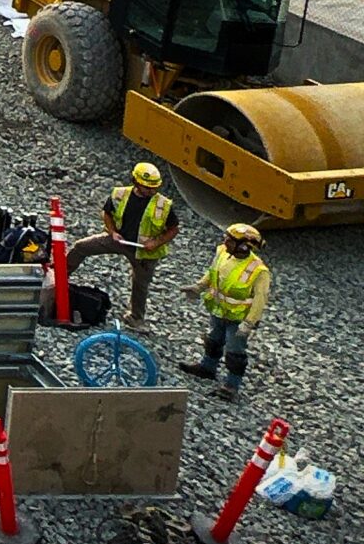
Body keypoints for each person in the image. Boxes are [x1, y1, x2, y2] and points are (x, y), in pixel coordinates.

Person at [65, 161, 179, 325]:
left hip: (144, 252)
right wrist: (112, 232)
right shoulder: (120, 195)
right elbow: (107, 213)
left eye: (155, 188)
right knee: (81, 247)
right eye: (147, 187)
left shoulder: (163, 205)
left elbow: (173, 229)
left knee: (140, 284)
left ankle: (136, 317)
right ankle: (60, 277)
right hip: (119, 240)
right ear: (136, 182)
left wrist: (156, 242)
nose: (152, 191)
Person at [185, 224, 271, 400]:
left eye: (230, 240)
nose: (225, 242)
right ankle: (207, 368)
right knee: (213, 340)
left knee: (234, 352)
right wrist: (199, 287)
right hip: (218, 310)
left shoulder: (259, 271)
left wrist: (249, 323)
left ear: (244, 246)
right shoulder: (223, 253)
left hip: (238, 319)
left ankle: (232, 386)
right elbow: (212, 273)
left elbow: (260, 299)